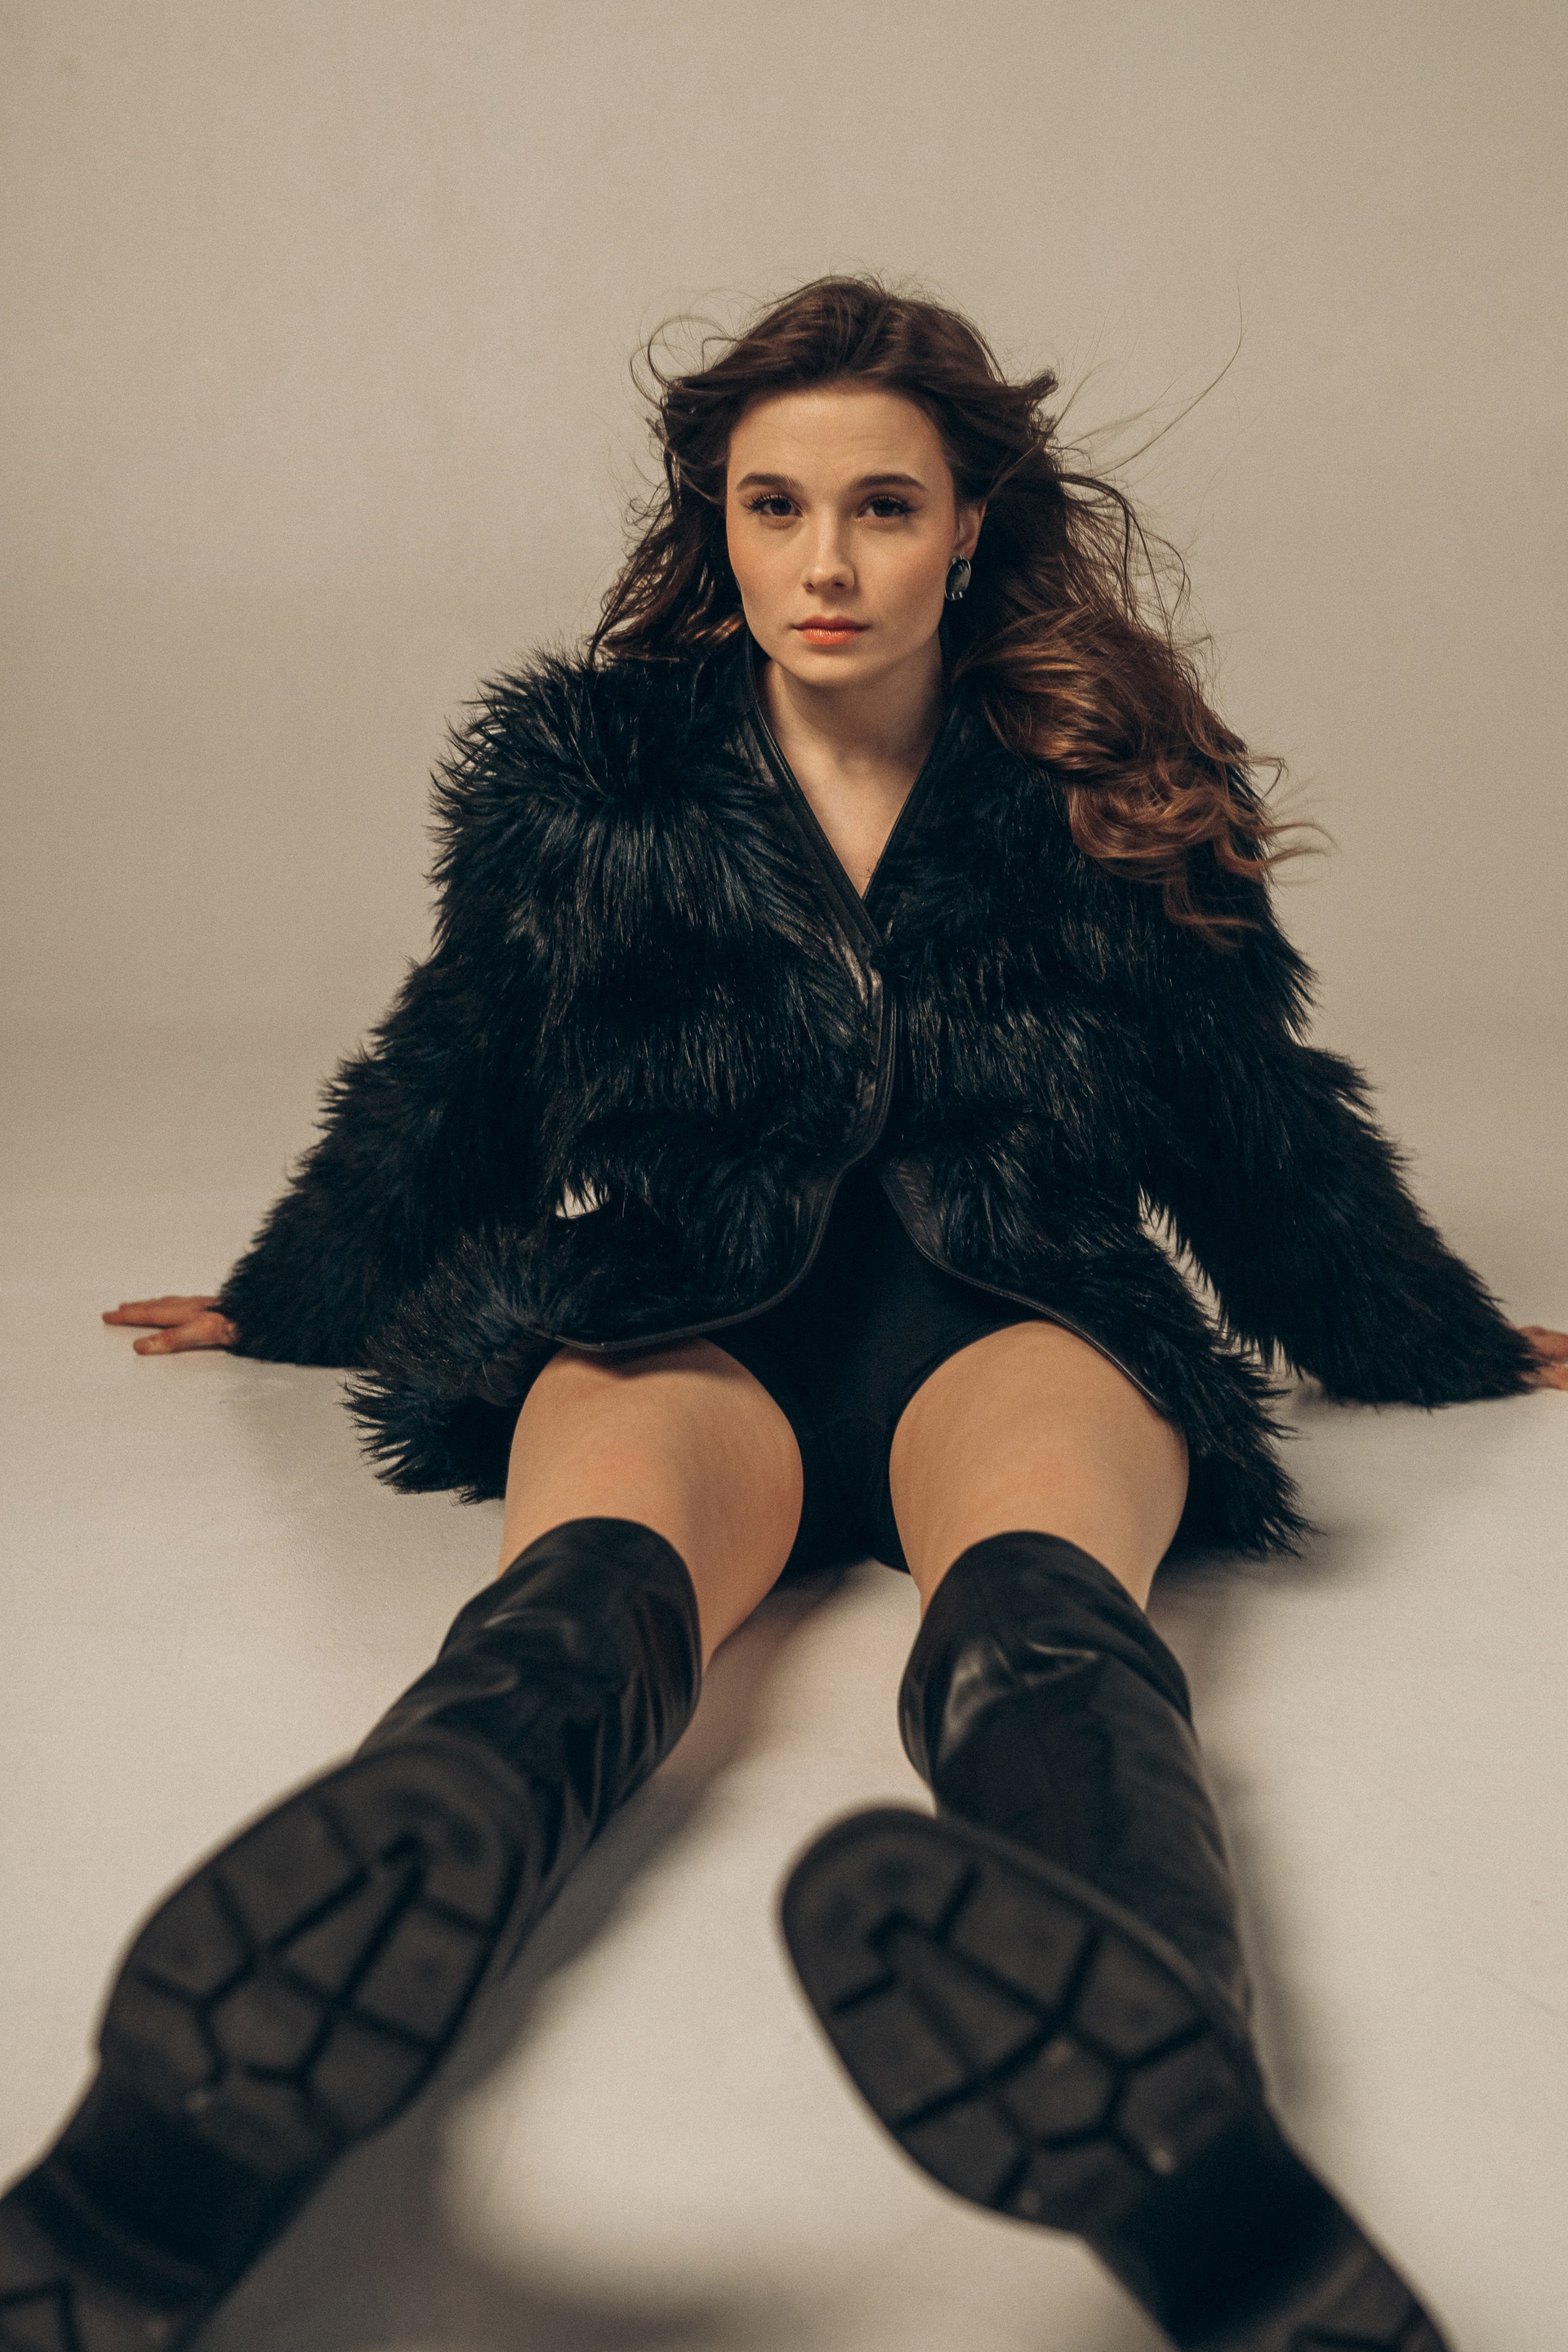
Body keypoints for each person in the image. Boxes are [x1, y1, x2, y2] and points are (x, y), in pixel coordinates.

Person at [2, 276, 1562, 2352]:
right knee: (567, 1619)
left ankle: (1178, 2115)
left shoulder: (1109, 785)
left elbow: (1252, 1116)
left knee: (1050, 1625)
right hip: (685, 1324)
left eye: (883, 508)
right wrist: (301, 1293)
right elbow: (459, 1065)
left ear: (971, 527)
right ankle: (181, 2141)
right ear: (716, 523)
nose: (826, 562)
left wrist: (1434, 1333)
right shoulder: (593, 786)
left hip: (1011, 1321)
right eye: (776, 506)